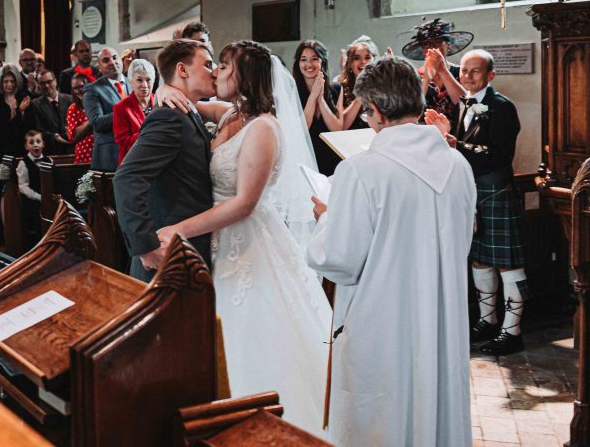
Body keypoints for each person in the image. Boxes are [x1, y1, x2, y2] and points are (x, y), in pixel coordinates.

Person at [154, 41, 330, 433]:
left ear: (245, 77)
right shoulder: (231, 113)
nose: (216, 72)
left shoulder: (265, 128)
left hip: (249, 242)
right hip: (219, 245)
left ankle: (260, 427)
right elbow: (184, 98)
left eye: (225, 67)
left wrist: (179, 229)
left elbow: (245, 203)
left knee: (254, 336)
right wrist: (163, 89)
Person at [307, 56, 476, 445]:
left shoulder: (360, 170)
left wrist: (327, 218)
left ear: (377, 111)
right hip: (442, 321)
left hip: (384, 326)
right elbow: (459, 242)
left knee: (383, 421)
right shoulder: (457, 165)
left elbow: (337, 259)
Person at [114, 39, 216, 282]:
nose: (214, 72)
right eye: (208, 65)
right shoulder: (169, 117)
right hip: (167, 254)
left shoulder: (186, 109)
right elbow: (127, 177)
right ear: (183, 70)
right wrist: (145, 246)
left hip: (190, 248)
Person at [452, 49, 528, 355]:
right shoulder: (464, 104)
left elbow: (498, 154)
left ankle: (513, 332)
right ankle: (487, 321)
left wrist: (455, 143)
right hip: (472, 193)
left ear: (490, 76)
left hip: (496, 191)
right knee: (480, 260)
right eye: (464, 71)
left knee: (508, 264)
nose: (468, 76)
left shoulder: (502, 107)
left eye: (475, 71)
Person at [401, 17, 471, 127]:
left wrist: (443, 71)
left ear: (448, 45)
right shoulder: (414, 76)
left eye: (438, 43)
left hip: (457, 135)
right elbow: (409, 113)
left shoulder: (462, 72)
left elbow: (467, 105)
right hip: (423, 136)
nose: (433, 48)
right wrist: (426, 79)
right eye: (427, 44)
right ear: (423, 50)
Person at [292, 40, 343, 175]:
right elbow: (302, 129)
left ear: (322, 62)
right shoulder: (292, 92)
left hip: (332, 159)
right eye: (304, 60)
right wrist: (313, 96)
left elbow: (337, 128)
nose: (309, 64)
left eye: (314, 59)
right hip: (307, 158)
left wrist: (320, 99)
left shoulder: (336, 89)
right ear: (298, 63)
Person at [83, 47, 130, 171]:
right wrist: (128, 112)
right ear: (99, 67)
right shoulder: (93, 89)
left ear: (121, 60)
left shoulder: (135, 83)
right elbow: (96, 123)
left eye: (115, 58)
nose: (112, 62)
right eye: (106, 60)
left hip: (136, 151)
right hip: (111, 155)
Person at [113, 58, 156, 166]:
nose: (145, 85)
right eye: (139, 80)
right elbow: (124, 143)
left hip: (159, 164)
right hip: (134, 166)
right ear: (131, 82)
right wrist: (150, 132)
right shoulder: (121, 108)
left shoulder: (161, 103)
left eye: (148, 79)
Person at [0, 63, 30, 161]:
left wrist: (21, 113)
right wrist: (18, 111)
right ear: (0, 82)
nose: (9, 85)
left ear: (17, 81)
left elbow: (28, 125)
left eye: (12, 81)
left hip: (20, 146)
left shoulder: (23, 97)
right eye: (6, 81)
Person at [25, 69, 72, 155]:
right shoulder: (35, 104)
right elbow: (36, 129)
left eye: (49, 81)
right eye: (42, 83)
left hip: (72, 150)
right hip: (50, 151)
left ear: (55, 81)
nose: (46, 86)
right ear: (38, 85)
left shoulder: (70, 100)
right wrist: (53, 137)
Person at [337, 36, 377, 130]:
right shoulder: (340, 88)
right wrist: (361, 92)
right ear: (350, 63)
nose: (363, 62)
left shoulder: (381, 88)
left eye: (367, 57)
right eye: (356, 58)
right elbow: (341, 126)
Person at [16, 130, 46, 249]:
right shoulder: (23, 164)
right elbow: (23, 187)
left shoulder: (49, 161)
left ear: (43, 144)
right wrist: (39, 197)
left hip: (48, 199)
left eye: (38, 141)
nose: (35, 145)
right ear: (26, 146)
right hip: (32, 202)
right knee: (35, 222)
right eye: (31, 142)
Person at [66, 73, 94, 165]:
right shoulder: (73, 109)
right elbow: (73, 136)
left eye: (81, 87)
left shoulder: (98, 102)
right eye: (75, 88)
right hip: (83, 154)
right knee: (85, 180)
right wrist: (93, 121)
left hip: (102, 152)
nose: (78, 91)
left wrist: (84, 127)